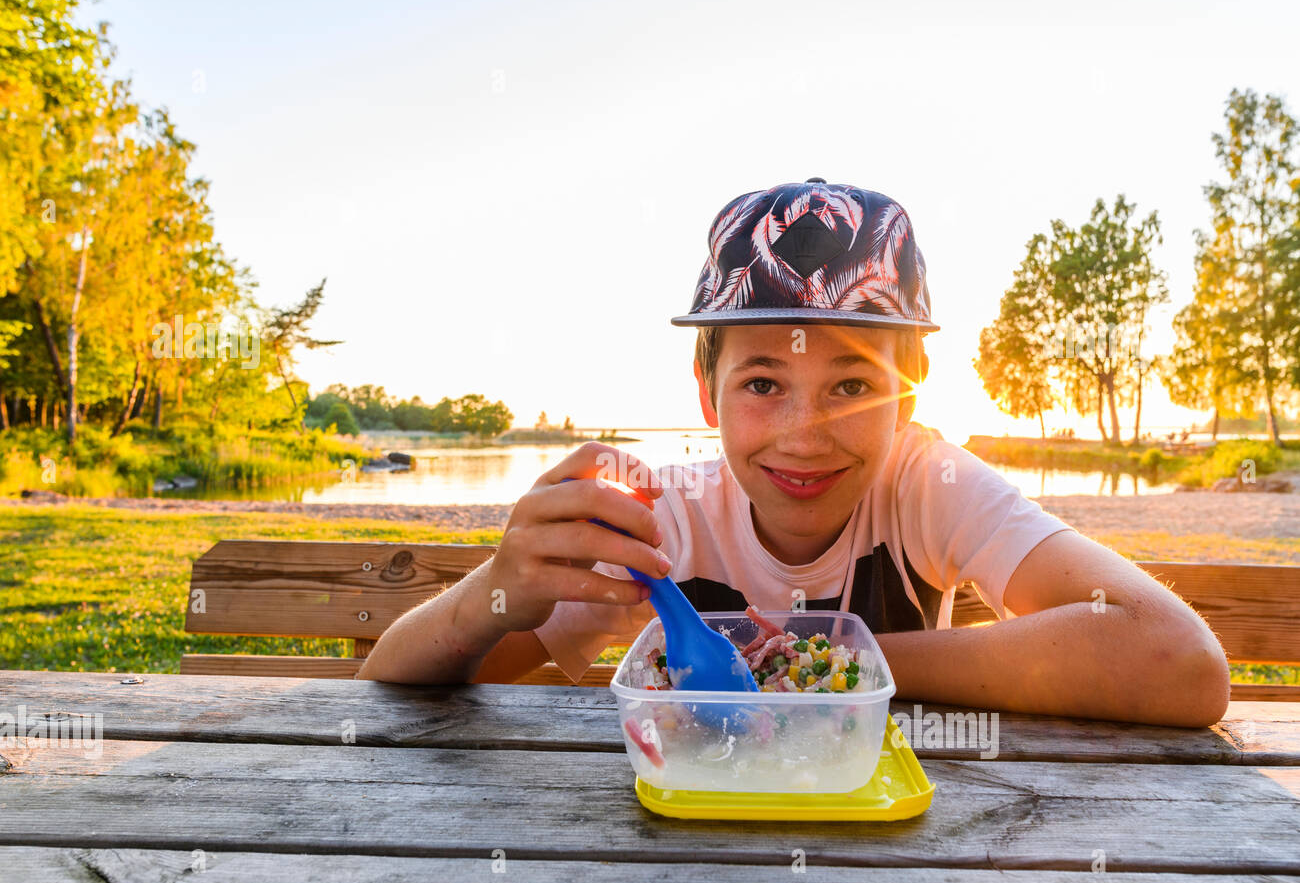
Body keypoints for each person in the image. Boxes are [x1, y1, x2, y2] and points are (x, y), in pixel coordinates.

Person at [358, 179, 1228, 726]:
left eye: (851, 386)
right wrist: (497, 586)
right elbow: (401, 681)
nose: (804, 437)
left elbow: (1176, 661)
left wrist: (829, 667)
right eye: (763, 384)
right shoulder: (662, 516)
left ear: (910, 391)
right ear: (707, 392)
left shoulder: (929, 482)